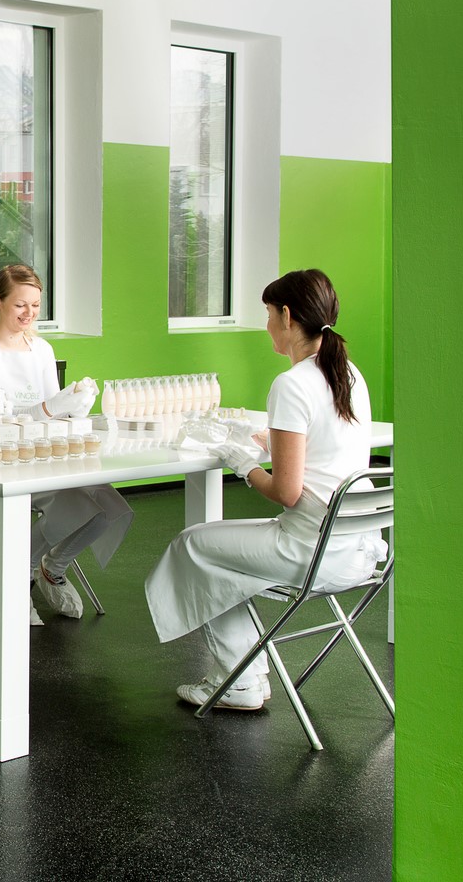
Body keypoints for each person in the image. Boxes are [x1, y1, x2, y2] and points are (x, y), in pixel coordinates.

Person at [144, 268, 387, 711]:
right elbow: (329, 449)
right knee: (219, 556)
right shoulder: (348, 373)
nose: (268, 325)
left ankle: (238, 681)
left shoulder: (291, 383)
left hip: (311, 552)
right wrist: (274, 442)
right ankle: (243, 676)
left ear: (287, 316)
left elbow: (287, 492)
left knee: (193, 546)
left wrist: (244, 465)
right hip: (356, 549)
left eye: (269, 314)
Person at [0, 264, 133, 620]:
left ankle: (48, 566)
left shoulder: (42, 349)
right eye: (20, 305)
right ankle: (11, 582)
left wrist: (76, 405)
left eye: (35, 305)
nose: (29, 313)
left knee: (109, 506)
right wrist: (52, 407)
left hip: (45, 455)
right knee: (74, 503)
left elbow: (55, 412)